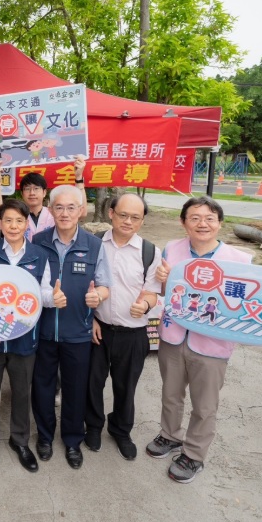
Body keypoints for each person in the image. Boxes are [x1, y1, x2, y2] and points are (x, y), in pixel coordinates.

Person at [151, 196, 262, 483]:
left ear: (220, 223)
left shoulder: (240, 261)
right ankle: (170, 435)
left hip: (212, 345)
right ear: (183, 222)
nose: (202, 224)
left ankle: (194, 454)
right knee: (171, 394)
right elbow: (166, 292)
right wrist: (162, 278)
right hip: (173, 337)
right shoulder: (172, 249)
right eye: (194, 218)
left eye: (209, 218)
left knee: (204, 406)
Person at [30, 185, 111, 471]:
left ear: (81, 210)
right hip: (42, 331)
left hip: (78, 331)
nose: (64, 213)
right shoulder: (38, 241)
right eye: (59, 207)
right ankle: (44, 436)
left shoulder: (94, 245)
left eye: (71, 207)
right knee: (42, 387)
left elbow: (105, 285)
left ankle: (73, 440)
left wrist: (97, 296)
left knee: (75, 389)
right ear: (51, 210)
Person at [0, 199, 54, 472]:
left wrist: (55, 298)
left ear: (27, 225)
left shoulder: (39, 255)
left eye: (19, 221)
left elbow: (43, 294)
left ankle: (20, 440)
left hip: (25, 338)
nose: (13, 226)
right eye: (8, 220)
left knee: (22, 392)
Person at [86, 193, 161, 461]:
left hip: (133, 333)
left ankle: (121, 430)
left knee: (126, 386)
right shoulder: (94, 244)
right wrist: (91, 319)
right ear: (111, 214)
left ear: (142, 221)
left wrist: (146, 305)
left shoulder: (149, 252)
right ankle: (93, 427)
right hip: (98, 330)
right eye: (123, 215)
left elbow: (153, 292)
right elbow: (84, 285)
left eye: (135, 217)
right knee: (92, 383)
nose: (128, 221)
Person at [0, 156, 88, 242]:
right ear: (22, 193)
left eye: (36, 188)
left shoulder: (54, 212)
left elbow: (82, 212)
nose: (32, 193)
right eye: (27, 189)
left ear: (44, 192)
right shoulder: (17, 214)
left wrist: (79, 178)